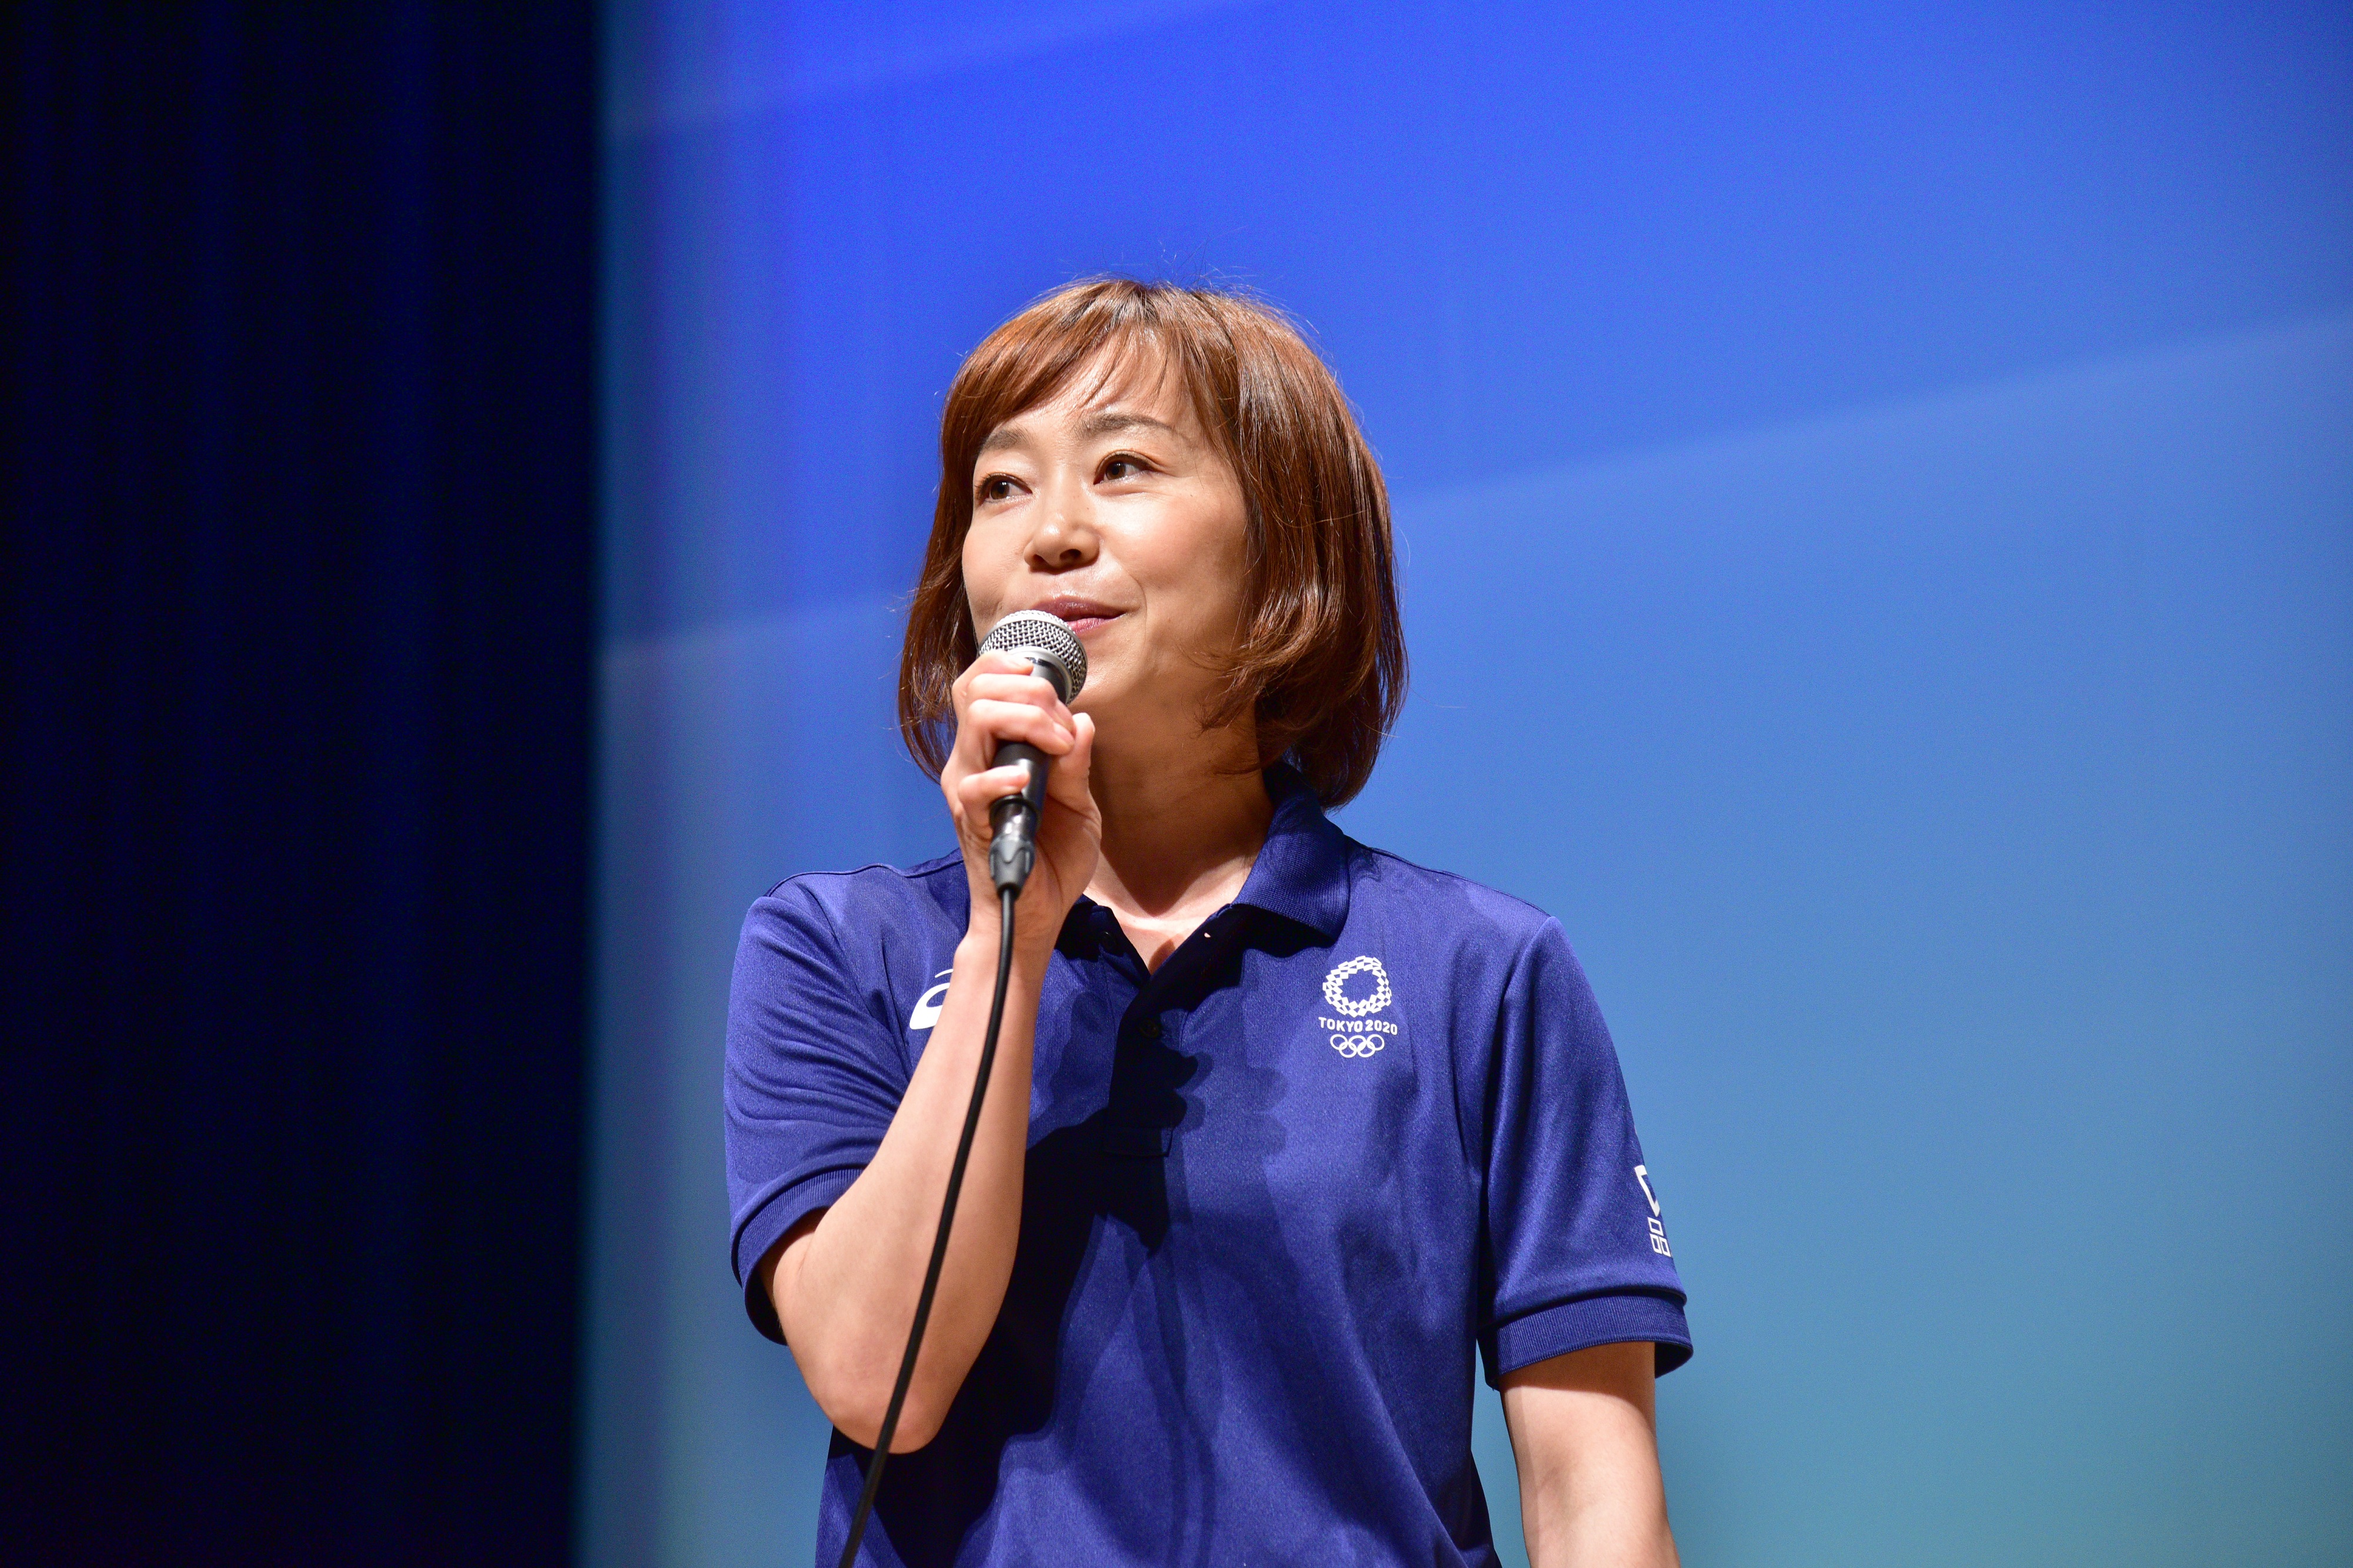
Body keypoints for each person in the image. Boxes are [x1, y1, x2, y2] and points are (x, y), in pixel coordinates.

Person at [725, 278, 1690, 1567]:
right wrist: (1004, 946)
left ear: (1283, 546)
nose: (1048, 533)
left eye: (1122, 466)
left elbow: (1589, 1495)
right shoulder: (837, 949)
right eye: (999, 488)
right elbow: (871, 1377)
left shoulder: (1478, 971)